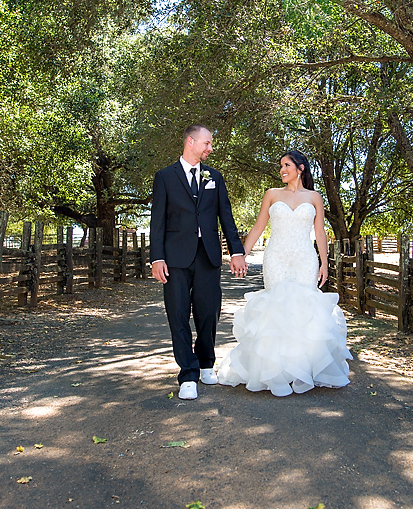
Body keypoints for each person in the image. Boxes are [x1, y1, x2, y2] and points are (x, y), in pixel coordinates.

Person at [217, 150, 352, 396]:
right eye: (281, 165)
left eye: (286, 165)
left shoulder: (315, 197)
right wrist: (241, 255)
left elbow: (320, 233)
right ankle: (276, 372)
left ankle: (303, 371)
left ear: (300, 168)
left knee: (304, 310)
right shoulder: (271, 194)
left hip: (304, 259)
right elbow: (258, 228)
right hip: (276, 258)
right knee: (276, 311)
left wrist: (324, 263)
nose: (282, 170)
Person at [150, 124, 248, 400]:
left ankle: (206, 363)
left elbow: (225, 217)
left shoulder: (214, 177)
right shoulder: (165, 177)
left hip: (208, 256)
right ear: (190, 142)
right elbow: (157, 221)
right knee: (178, 315)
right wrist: (157, 257)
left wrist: (236, 251)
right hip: (175, 258)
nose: (210, 148)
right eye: (206, 143)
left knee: (208, 313)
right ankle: (188, 374)